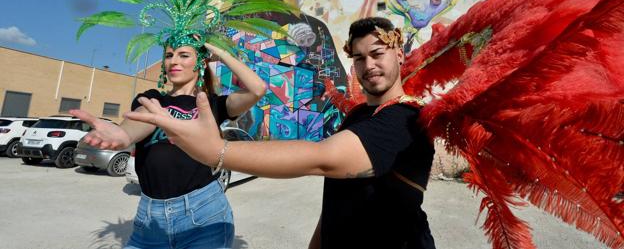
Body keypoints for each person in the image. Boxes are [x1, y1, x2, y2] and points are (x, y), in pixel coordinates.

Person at [124, 17, 436, 249]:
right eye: (358, 58)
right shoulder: (358, 115)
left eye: (377, 53)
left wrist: (218, 152)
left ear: (398, 53)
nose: (368, 65)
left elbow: (324, 159)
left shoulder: (407, 117)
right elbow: (339, 200)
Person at [70, 36, 266, 249]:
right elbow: (142, 119)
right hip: (150, 219)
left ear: (199, 62)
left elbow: (257, 89)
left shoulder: (211, 104)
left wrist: (219, 53)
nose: (174, 61)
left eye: (184, 55)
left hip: (204, 213)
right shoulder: (154, 99)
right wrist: (123, 135)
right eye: (169, 55)